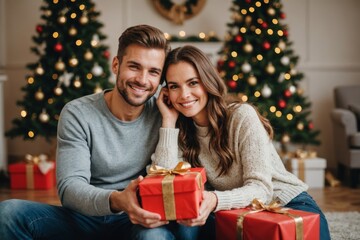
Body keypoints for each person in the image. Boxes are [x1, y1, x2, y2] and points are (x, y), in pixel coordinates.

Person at [0, 24, 173, 240]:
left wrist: (168, 121)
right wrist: (118, 200)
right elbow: (69, 188)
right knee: (8, 213)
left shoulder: (165, 114)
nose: (142, 79)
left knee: (154, 237)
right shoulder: (78, 113)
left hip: (136, 220)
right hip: (83, 218)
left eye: (153, 72)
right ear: (116, 65)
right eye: (134, 66)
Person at [146, 45, 331, 240]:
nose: (184, 95)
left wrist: (215, 199)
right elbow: (163, 184)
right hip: (235, 210)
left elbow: (262, 189)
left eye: (193, 83)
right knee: (185, 227)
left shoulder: (241, 116)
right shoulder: (179, 129)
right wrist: (168, 122)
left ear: (208, 81)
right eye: (174, 86)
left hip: (285, 202)